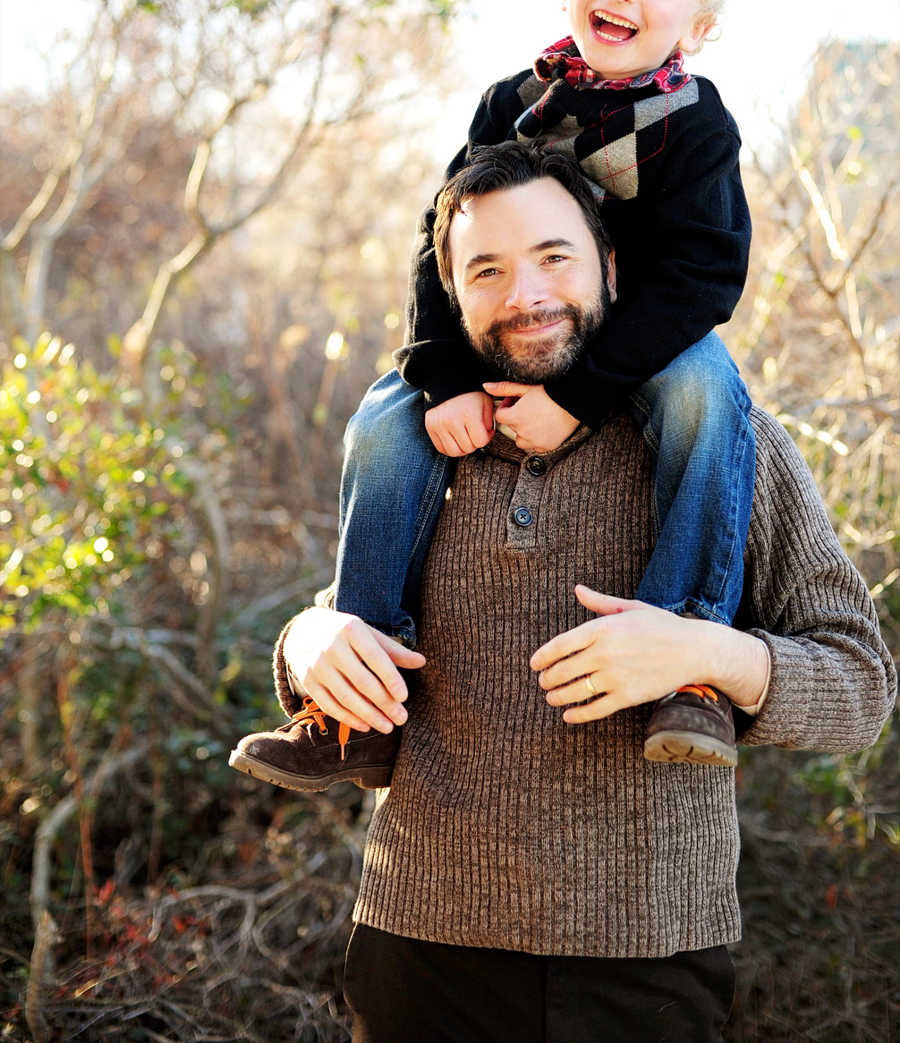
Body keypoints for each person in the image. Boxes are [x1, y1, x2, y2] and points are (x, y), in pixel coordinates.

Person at [248, 150, 895, 1042]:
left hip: (647, 962)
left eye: (555, 256)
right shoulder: (419, 444)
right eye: (488, 269)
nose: (527, 293)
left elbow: (863, 687)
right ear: (451, 293)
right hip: (419, 948)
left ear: (611, 267)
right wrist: (307, 641)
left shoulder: (723, 438)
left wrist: (707, 653)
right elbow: (347, 622)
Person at [230, 0, 755, 788]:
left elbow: (703, 277)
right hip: (506, 334)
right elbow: (444, 240)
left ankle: (688, 661)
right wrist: (442, 379)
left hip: (637, 344)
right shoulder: (514, 102)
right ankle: (360, 695)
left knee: (706, 387)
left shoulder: (695, 126)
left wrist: (578, 395)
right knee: (381, 420)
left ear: (699, 27)